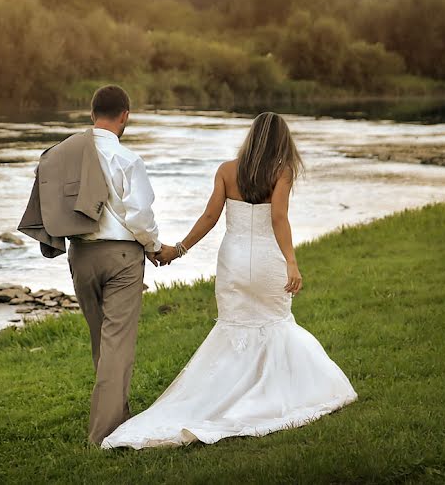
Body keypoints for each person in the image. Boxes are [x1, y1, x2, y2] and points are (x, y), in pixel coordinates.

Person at [101, 111, 358, 449]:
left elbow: (210, 216)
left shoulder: (226, 170)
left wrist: (177, 250)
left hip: (233, 261)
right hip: (267, 261)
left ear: (251, 137)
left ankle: (225, 391)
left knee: (235, 326)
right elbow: (279, 218)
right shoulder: (282, 172)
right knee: (274, 323)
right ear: (282, 141)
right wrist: (292, 263)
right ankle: (266, 391)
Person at [18, 84, 174, 446]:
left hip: (81, 255)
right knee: (117, 343)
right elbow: (139, 216)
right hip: (121, 257)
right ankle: (105, 434)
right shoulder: (128, 160)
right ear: (125, 116)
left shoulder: (63, 154)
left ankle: (116, 415)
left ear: (92, 114)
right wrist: (154, 247)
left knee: (101, 341)